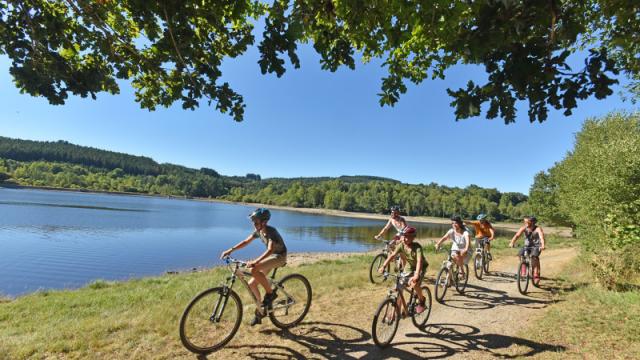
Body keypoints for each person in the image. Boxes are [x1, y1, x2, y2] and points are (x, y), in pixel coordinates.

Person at [221, 208, 287, 326]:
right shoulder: (259, 231)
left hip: (280, 256)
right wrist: (230, 250)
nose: (254, 224)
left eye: (256, 222)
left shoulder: (270, 232)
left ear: (264, 222)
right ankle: (261, 310)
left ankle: (270, 293)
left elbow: (270, 249)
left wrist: (256, 261)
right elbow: (246, 241)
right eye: (253, 222)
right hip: (272, 256)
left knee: (254, 269)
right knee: (251, 284)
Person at [378, 226, 428, 314]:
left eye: (407, 236)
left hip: (420, 268)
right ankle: (398, 313)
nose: (405, 238)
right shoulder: (401, 245)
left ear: (413, 237)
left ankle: (422, 300)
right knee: (399, 286)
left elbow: (419, 261)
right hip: (409, 267)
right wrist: (383, 266)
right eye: (404, 236)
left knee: (414, 283)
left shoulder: (417, 247)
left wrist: (416, 275)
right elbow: (392, 255)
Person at [509, 216, 546, 282]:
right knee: (520, 254)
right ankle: (523, 268)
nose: (525, 223)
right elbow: (517, 235)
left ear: (532, 223)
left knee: (534, 257)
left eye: (527, 222)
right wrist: (512, 242)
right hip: (527, 246)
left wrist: (542, 245)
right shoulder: (524, 228)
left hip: (536, 246)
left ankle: (536, 274)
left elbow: (541, 237)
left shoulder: (537, 229)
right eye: (524, 222)